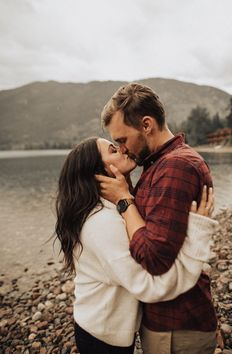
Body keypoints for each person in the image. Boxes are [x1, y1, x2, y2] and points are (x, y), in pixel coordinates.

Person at [55, 137, 217, 354]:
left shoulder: (110, 209)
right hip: (103, 338)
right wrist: (197, 235)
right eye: (113, 150)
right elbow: (150, 287)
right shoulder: (102, 224)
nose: (122, 149)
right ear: (98, 173)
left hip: (106, 328)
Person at [96, 83, 218, 354]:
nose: (122, 149)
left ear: (147, 125)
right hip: (168, 319)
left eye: (123, 140)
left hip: (177, 325)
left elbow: (154, 257)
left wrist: (124, 200)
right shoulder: (157, 165)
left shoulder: (176, 166)